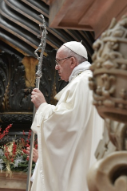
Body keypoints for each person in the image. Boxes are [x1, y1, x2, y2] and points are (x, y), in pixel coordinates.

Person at [30, 41, 104, 191]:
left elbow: (64, 126)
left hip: (80, 162)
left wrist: (42, 107)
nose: (56, 67)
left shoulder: (81, 83)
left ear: (72, 61)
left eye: (59, 61)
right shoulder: (94, 80)